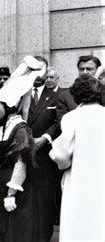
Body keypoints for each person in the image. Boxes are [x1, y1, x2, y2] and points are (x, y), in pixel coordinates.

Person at [0, 62, 42, 241]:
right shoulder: (7, 126)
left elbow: (21, 162)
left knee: (12, 232)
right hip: (1, 183)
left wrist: (11, 194)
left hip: (13, 188)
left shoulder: (21, 128)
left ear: (7, 106)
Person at [49, 75, 104, 241]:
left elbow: (62, 154)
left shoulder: (71, 117)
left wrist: (54, 154)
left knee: (78, 221)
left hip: (79, 177)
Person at [26, 56, 61, 240]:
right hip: (23, 153)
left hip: (44, 155)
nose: (40, 75)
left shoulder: (57, 94)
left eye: (42, 70)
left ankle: (44, 235)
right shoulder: (23, 92)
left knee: (45, 198)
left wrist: (45, 138)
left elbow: (58, 121)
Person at [56, 55, 101, 123]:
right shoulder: (65, 96)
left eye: (89, 69)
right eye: (81, 69)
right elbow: (61, 123)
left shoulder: (103, 92)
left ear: (98, 70)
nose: (85, 72)